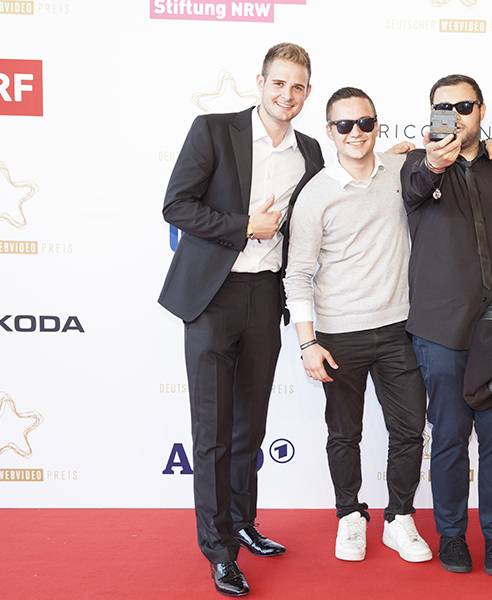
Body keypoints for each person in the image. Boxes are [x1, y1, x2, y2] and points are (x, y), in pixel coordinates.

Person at [158, 43, 323, 596]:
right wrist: (243, 225)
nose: (288, 95)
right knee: (211, 431)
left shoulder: (312, 153)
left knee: (248, 425)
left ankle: (243, 523)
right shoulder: (213, 130)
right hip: (211, 296)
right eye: (280, 83)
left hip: (264, 297)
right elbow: (176, 206)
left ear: (307, 90)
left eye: (299, 87)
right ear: (260, 81)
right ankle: (218, 549)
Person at [400, 74, 492, 576]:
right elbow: (416, 187)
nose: (456, 115)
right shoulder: (417, 167)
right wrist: (434, 161)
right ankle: (450, 535)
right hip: (440, 331)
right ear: (432, 115)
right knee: (447, 439)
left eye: (464, 106)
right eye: (444, 108)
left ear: (482, 110)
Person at [282, 87, 433, 565]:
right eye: (344, 125)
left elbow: (451, 156)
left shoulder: (401, 170)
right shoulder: (315, 194)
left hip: (398, 328)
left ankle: (400, 518)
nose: (356, 133)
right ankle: (350, 514)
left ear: (377, 126)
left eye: (365, 123)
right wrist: (307, 342)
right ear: (329, 131)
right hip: (338, 333)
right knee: (344, 433)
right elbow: (298, 274)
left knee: (409, 430)